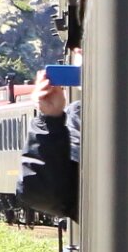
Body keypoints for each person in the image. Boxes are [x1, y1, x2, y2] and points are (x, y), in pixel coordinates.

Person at [18, 62, 83, 220]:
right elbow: (48, 194)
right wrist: (50, 120)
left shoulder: (78, 117)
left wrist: (49, 120)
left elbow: (46, 196)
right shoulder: (79, 116)